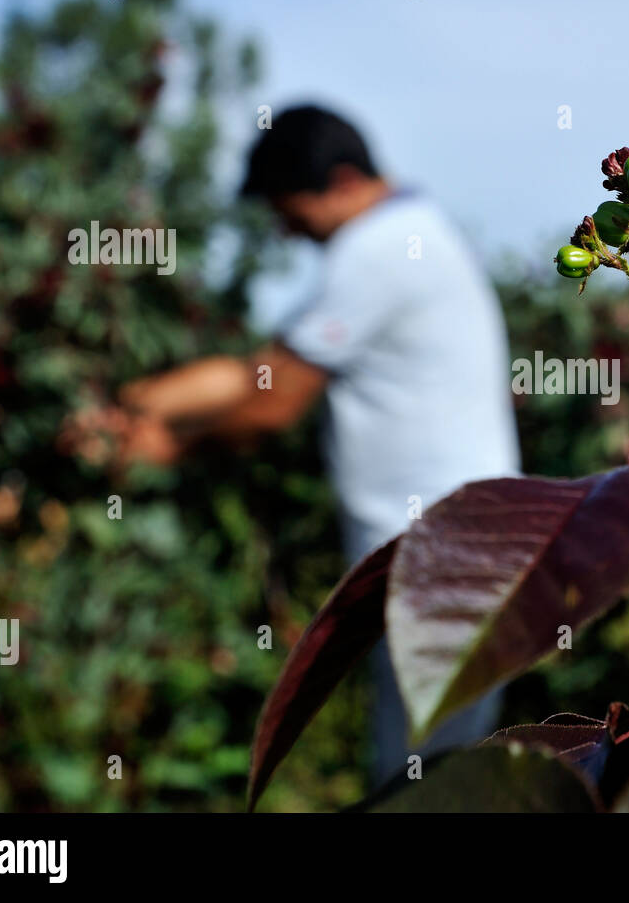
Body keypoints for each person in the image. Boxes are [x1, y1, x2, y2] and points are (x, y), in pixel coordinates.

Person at [111, 105, 519, 786]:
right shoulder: (407, 236)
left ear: (340, 180)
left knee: (425, 784)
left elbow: (269, 404)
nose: (283, 227)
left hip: (447, 559)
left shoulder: (379, 251)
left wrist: (168, 448)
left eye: (287, 206)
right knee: (427, 770)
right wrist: (132, 406)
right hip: (449, 552)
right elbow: (258, 371)